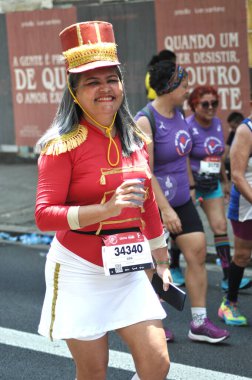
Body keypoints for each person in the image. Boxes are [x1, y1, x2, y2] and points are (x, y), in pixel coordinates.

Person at [35, 21, 172, 380]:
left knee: (158, 363)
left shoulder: (137, 141)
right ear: (74, 91)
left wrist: (161, 259)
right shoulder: (60, 146)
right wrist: (106, 210)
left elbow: (147, 206)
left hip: (128, 269)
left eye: (111, 79)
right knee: (94, 372)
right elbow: (44, 216)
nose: (105, 89)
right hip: (79, 269)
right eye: (92, 82)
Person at [135, 60, 229, 344]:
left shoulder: (180, 115)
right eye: (184, 85)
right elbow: (145, 171)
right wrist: (164, 209)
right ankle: (154, 323)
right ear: (168, 87)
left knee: (198, 250)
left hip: (182, 199)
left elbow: (183, 155)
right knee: (154, 263)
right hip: (155, 204)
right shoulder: (145, 120)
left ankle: (199, 322)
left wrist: (189, 188)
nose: (188, 90)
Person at [186, 86, 250, 291]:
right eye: (205, 104)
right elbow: (183, 158)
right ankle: (175, 265)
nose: (211, 108)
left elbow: (219, 154)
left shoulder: (216, 124)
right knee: (182, 229)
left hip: (212, 183)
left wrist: (225, 180)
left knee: (220, 227)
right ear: (194, 105)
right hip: (191, 184)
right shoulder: (188, 125)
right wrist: (191, 186)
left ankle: (227, 275)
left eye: (215, 103)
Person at [218, 116, 252, 325]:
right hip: (246, 205)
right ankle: (228, 304)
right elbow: (237, 176)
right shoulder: (245, 130)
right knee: (242, 255)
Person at [224, 112, 244, 181]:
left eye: (233, 127)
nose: (232, 130)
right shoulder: (233, 133)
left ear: (240, 123)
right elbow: (225, 151)